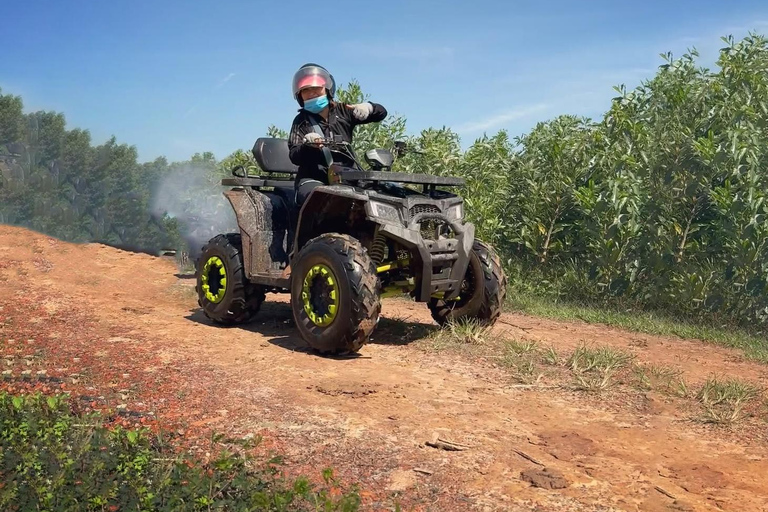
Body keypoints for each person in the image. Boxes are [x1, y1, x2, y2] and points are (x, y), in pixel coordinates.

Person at [288, 63, 387, 207]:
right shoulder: (300, 121)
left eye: (316, 88)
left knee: (382, 196)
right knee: (318, 200)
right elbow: (294, 155)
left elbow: (381, 113)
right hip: (313, 177)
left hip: (348, 176)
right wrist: (308, 146)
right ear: (300, 95)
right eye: (306, 90)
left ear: (327, 89)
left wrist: (369, 107)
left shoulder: (343, 110)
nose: (311, 93)